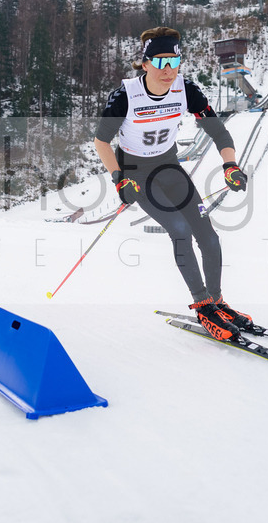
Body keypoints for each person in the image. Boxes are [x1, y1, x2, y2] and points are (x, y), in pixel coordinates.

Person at [93, 26, 253, 341]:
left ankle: (218, 301)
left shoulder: (186, 90)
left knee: (208, 234)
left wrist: (230, 164)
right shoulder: (125, 95)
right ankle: (203, 305)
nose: (168, 70)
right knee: (179, 229)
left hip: (168, 166)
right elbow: (101, 142)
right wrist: (118, 179)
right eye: (161, 62)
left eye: (174, 61)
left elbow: (219, 132)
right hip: (137, 173)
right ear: (145, 63)